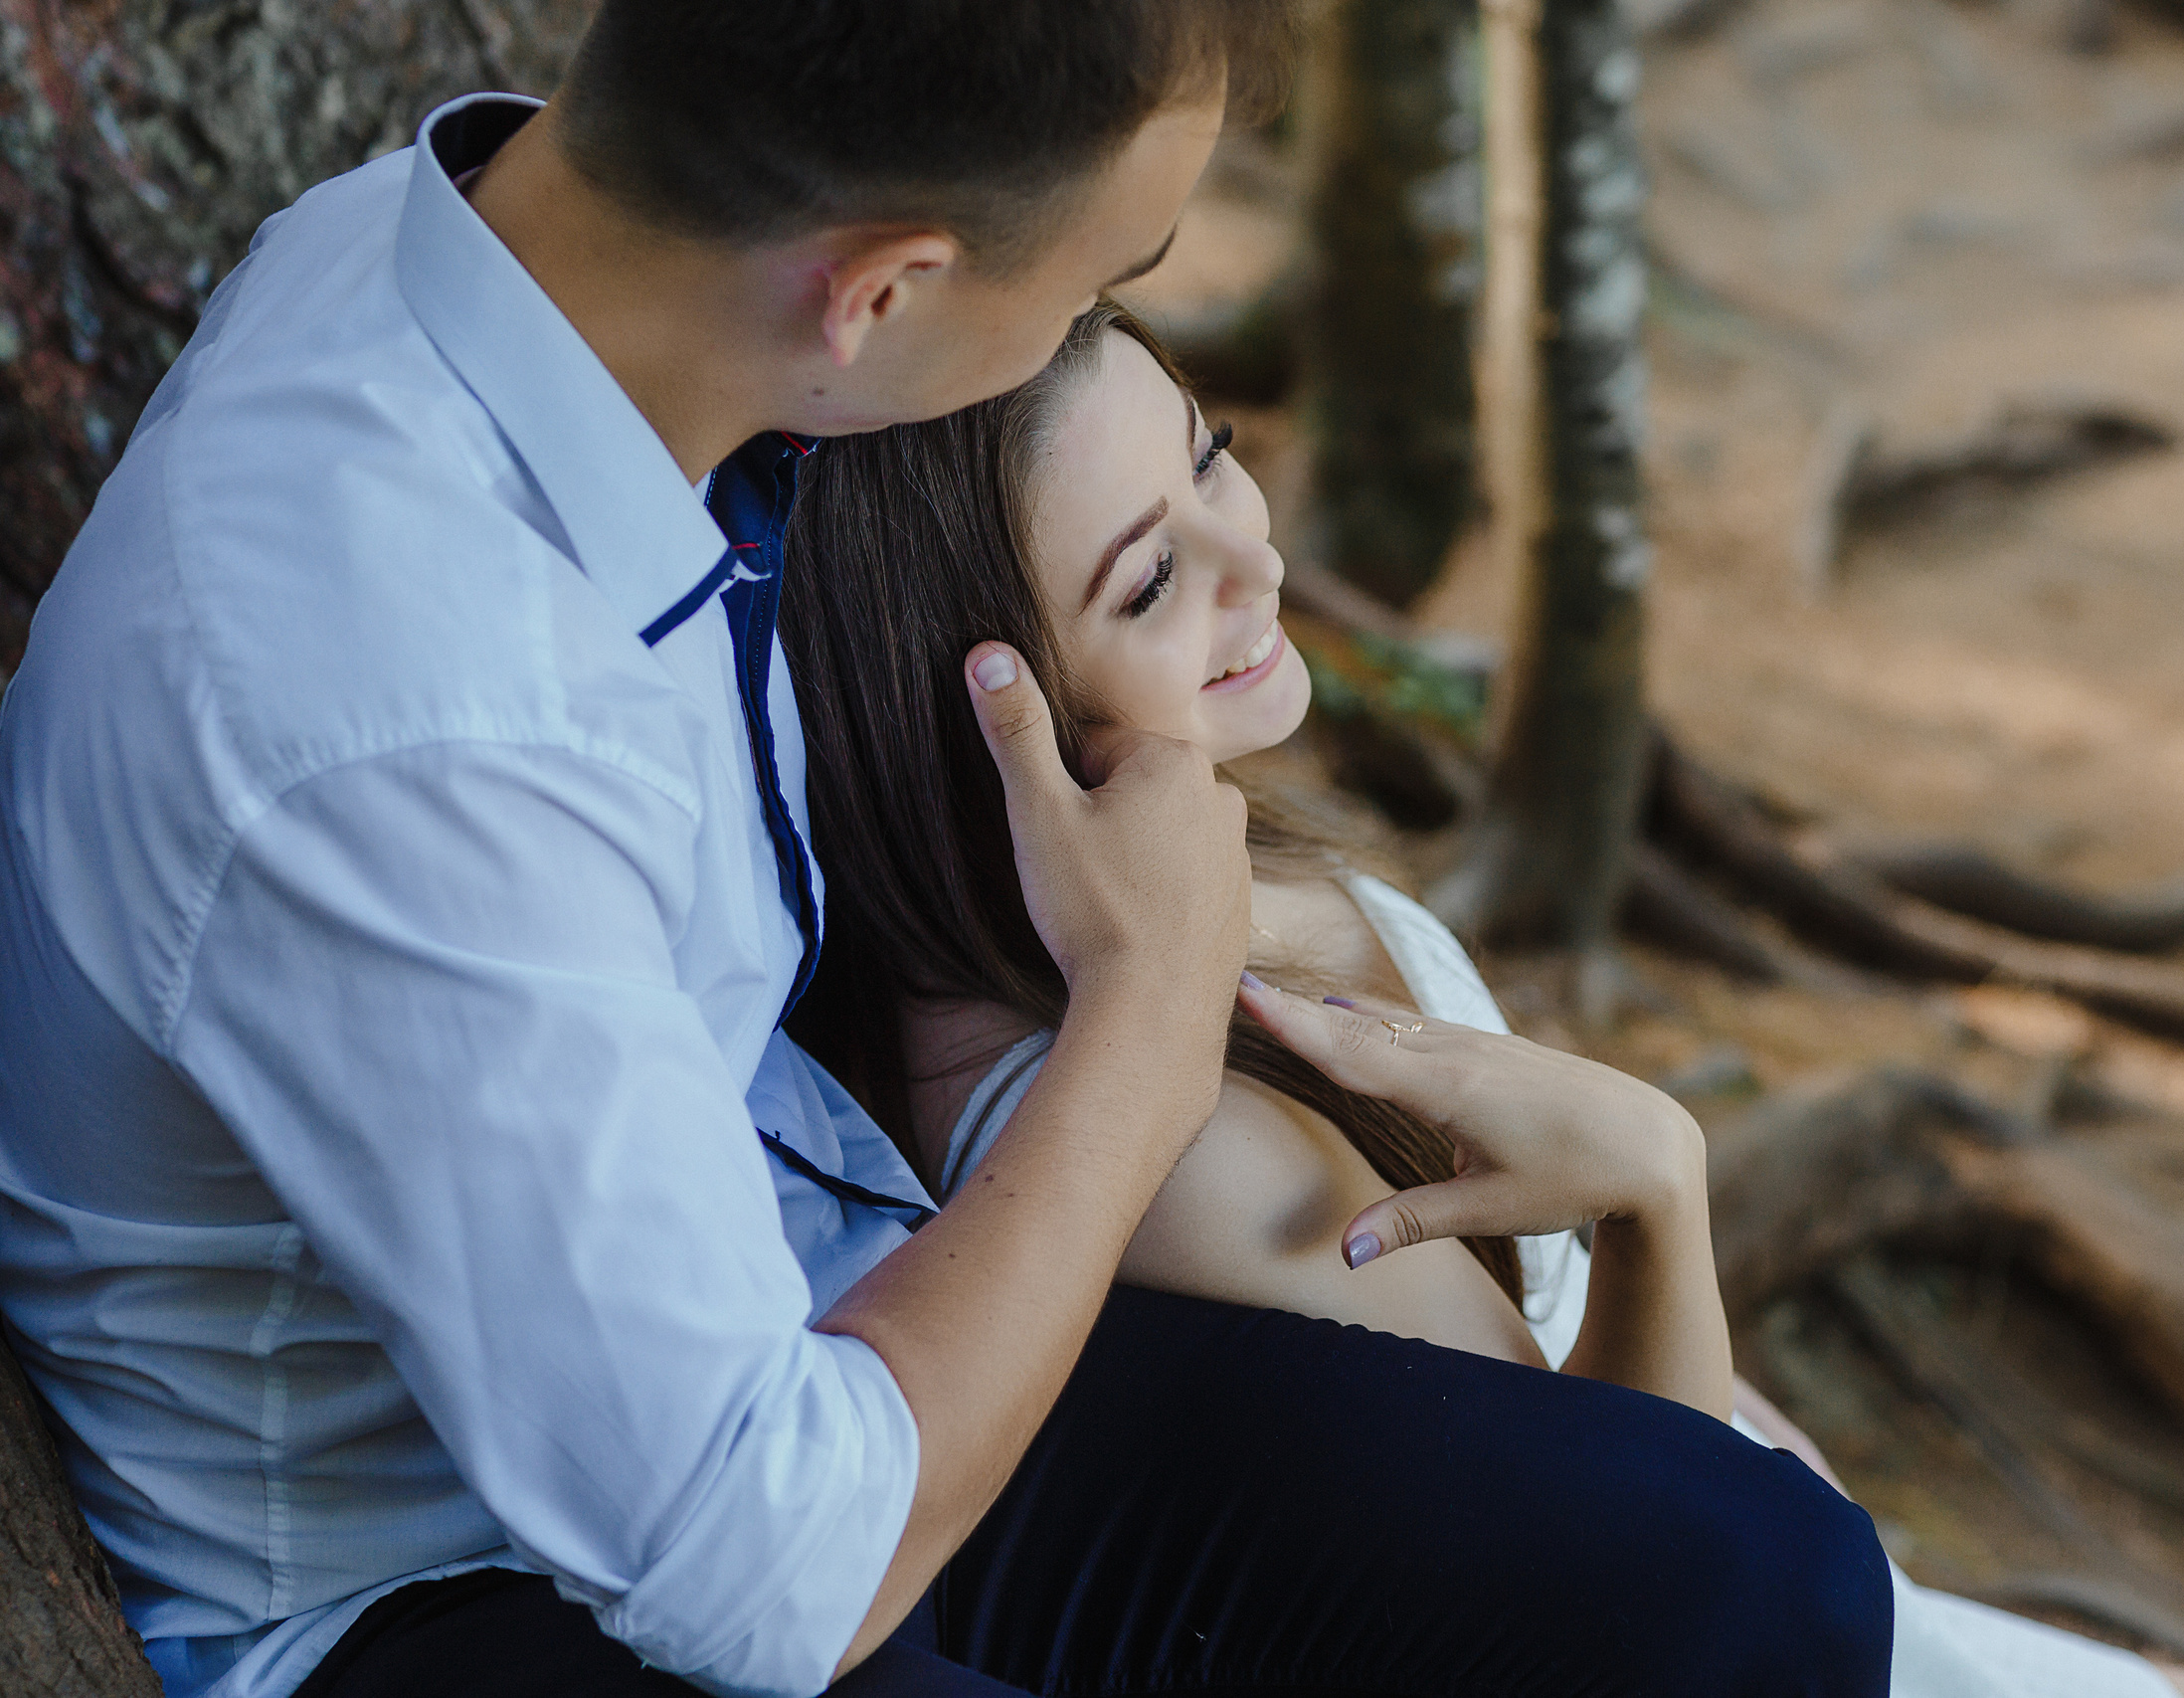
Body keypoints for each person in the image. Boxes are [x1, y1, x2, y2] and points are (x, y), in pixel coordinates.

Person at [0, 4, 1892, 1696]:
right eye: (1089, 286)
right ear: (879, 299)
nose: (1089, 339)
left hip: (788, 1307)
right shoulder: (404, 720)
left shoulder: (482, 256)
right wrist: (1145, 1011)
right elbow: (760, 1577)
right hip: (457, 1585)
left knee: (1744, 1575)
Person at [780, 300, 2184, 1698]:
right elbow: (1630, 1567)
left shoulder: (1211, 869)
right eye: (1151, 581)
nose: (1259, 565)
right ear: (972, 720)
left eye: (1212, 458)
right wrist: (1661, 1195)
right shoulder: (1177, 1148)